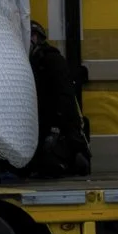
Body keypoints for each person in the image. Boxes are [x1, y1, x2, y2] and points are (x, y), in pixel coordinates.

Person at [27, 22, 91, 178]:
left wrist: (64, 128)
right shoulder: (36, 59)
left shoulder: (50, 59)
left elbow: (65, 98)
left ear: (34, 37)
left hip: (54, 126)